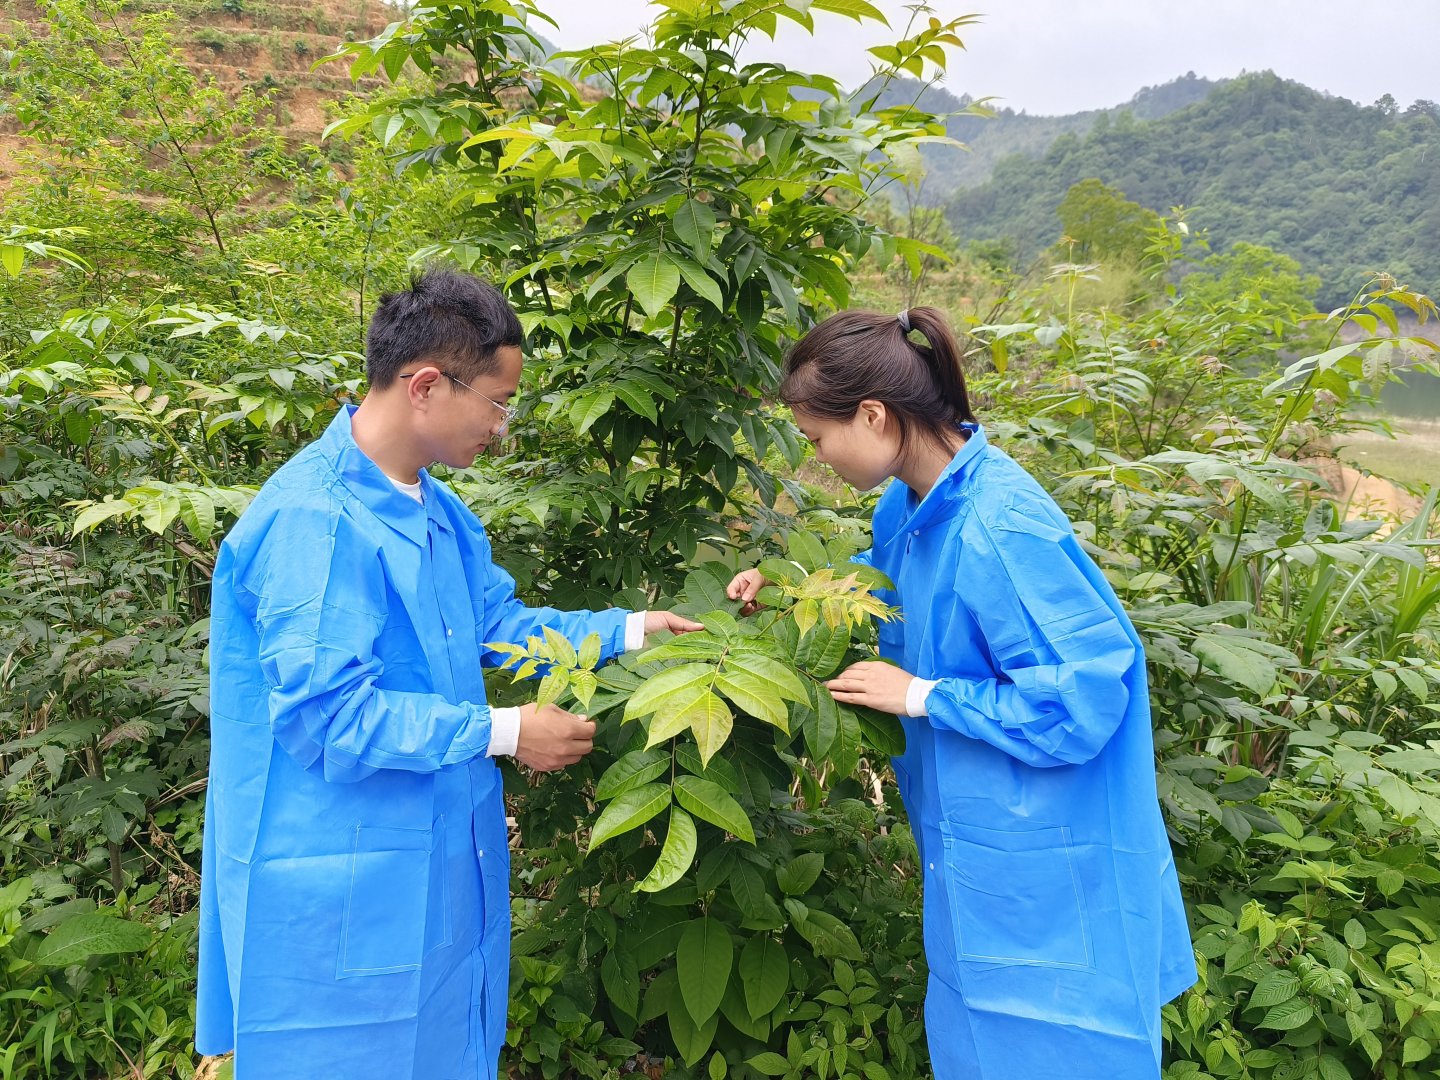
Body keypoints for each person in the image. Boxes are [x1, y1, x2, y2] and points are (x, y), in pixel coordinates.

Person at [196, 268, 700, 1078]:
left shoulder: (433, 507)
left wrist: (634, 630)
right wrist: (505, 732)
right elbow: (329, 718)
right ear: (427, 384)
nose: (504, 426)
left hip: (426, 856)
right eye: (499, 403)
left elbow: (496, 625)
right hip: (333, 877)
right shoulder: (314, 522)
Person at [727, 307, 1195, 1079]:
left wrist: (922, 696)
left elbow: (1081, 701)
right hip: (980, 865)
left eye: (816, 440)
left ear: (872, 415)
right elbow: (880, 577)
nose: (817, 459)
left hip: (1052, 875)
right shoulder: (911, 505)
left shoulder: (1001, 528)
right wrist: (788, 586)